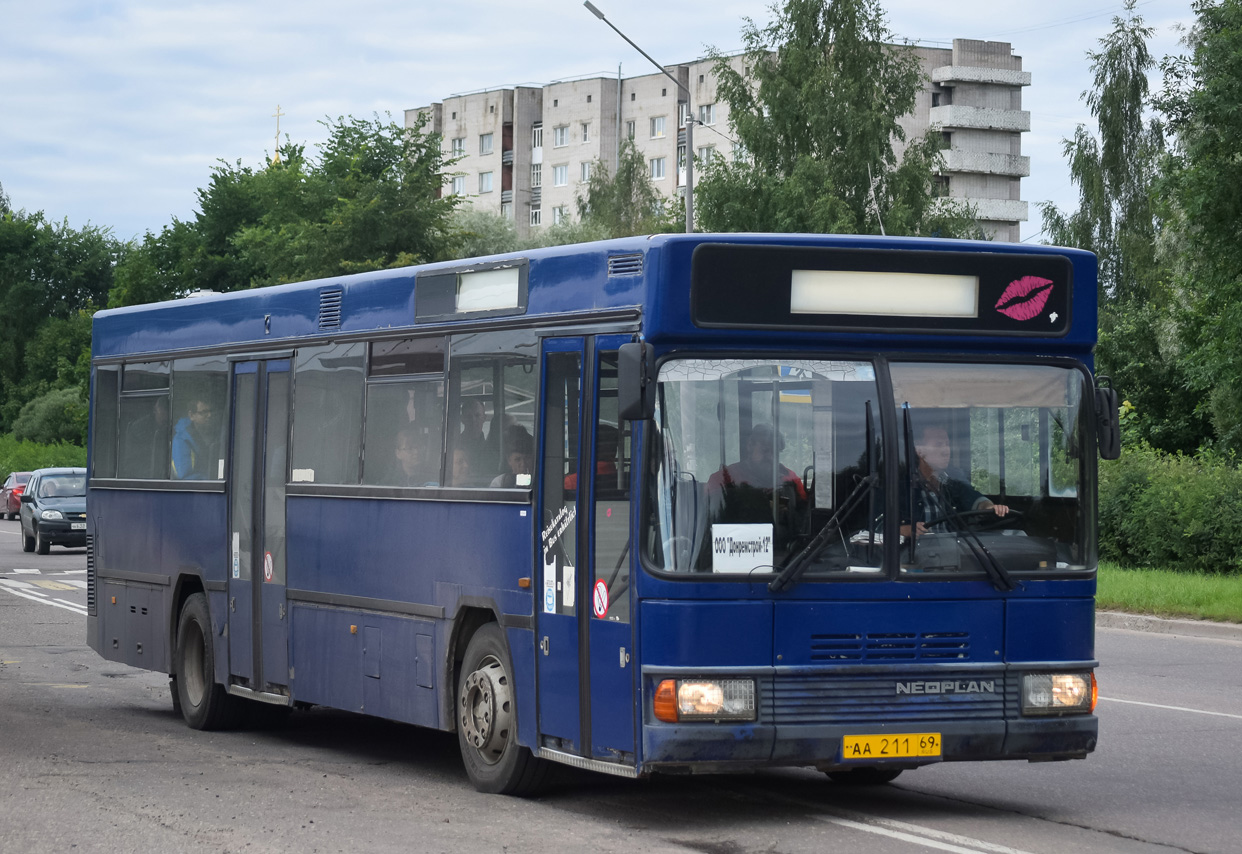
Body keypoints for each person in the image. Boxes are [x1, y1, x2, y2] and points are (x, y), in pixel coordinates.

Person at [903, 423, 1009, 538]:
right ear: (920, 450)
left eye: (947, 444)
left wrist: (988, 507)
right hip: (918, 553)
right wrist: (906, 530)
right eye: (938, 445)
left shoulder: (952, 479)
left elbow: (974, 498)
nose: (946, 451)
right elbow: (883, 528)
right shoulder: (902, 485)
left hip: (955, 550)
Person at [707, 423, 807, 501]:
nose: (771, 457)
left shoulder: (791, 479)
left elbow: (804, 515)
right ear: (750, 445)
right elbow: (710, 513)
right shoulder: (724, 479)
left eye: (776, 452)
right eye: (765, 450)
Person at [172, 397, 215, 480]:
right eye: (204, 412)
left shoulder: (215, 432)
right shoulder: (181, 440)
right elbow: (185, 476)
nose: (210, 415)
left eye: (211, 411)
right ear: (191, 415)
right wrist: (211, 479)